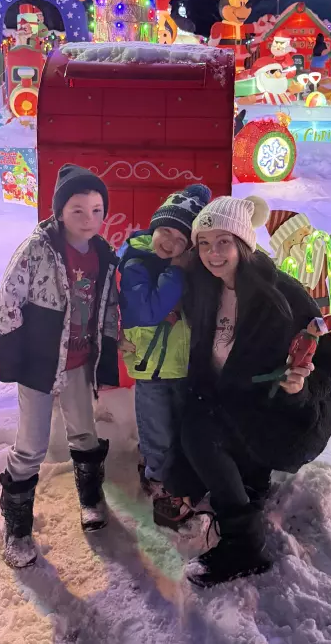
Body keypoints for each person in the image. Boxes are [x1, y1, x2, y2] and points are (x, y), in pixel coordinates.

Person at [170, 195, 331, 587]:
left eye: (224, 242)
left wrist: (300, 386)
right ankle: (249, 481)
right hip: (225, 398)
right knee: (189, 441)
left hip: (274, 410)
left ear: (244, 244)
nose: (213, 254)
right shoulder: (204, 286)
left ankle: (244, 545)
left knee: (200, 436)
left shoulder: (281, 293)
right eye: (204, 243)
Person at [0, 164, 120, 568]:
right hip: (42, 363)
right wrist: (15, 355)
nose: (89, 219)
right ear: (59, 212)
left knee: (85, 432)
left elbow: (107, 306)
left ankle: (90, 498)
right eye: (78, 210)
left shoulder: (103, 254)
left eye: (97, 210)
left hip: (81, 362)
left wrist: (114, 341)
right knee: (30, 444)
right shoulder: (37, 249)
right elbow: (8, 300)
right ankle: (16, 527)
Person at [118, 185, 212, 530]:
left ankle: (182, 481)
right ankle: (157, 479)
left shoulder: (197, 268)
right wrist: (176, 269)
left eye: (180, 238)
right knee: (156, 429)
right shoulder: (137, 260)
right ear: (154, 225)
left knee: (182, 428)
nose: (169, 242)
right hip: (152, 368)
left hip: (185, 367)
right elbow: (149, 308)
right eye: (165, 231)